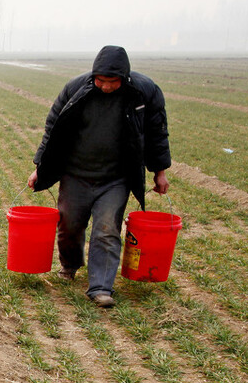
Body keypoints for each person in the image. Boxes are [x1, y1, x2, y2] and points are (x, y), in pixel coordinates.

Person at [26, 45, 171, 308]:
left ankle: (101, 287)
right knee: (69, 226)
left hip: (116, 178)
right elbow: (53, 129)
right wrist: (40, 167)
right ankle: (70, 265)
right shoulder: (76, 89)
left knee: (107, 229)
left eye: (111, 82)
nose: (104, 86)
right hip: (76, 174)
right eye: (100, 80)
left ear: (124, 78)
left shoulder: (143, 91)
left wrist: (159, 172)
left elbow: (157, 132)